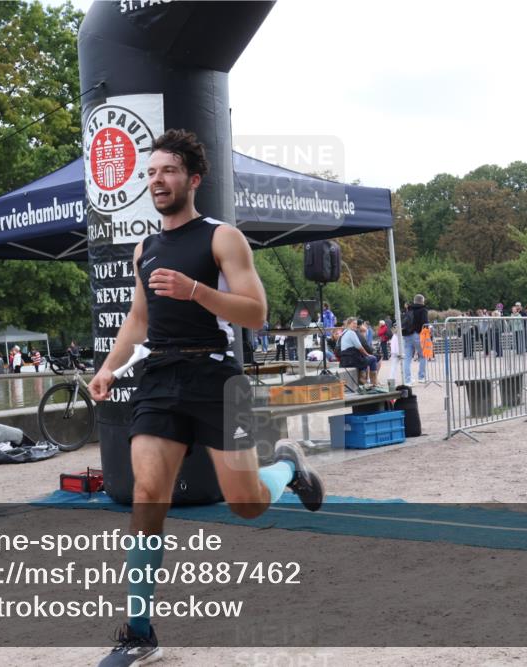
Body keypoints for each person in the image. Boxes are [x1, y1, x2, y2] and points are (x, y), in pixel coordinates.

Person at [87, 129, 323, 666]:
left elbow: (256, 313)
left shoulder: (222, 237)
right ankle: (139, 632)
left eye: (168, 171)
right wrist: (108, 369)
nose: (157, 181)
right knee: (148, 493)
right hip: (160, 377)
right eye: (150, 173)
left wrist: (195, 290)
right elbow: (138, 319)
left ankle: (288, 466)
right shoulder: (144, 249)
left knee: (246, 503)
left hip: (218, 378)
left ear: (193, 179)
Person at [340, 317, 380, 386]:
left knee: (363, 359)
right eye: (354, 323)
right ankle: (374, 382)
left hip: (344, 360)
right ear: (349, 324)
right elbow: (360, 347)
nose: (355, 325)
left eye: (356, 324)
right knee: (373, 358)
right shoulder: (351, 333)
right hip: (352, 360)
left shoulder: (344, 332)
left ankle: (362, 378)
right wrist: (367, 354)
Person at [401, 294, 429, 384]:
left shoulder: (409, 309)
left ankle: (407, 380)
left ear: (414, 301)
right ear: (422, 301)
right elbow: (425, 324)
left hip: (407, 335)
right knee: (423, 356)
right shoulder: (423, 310)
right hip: (418, 334)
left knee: (407, 358)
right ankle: (421, 377)